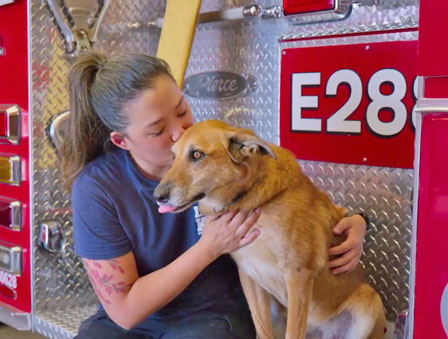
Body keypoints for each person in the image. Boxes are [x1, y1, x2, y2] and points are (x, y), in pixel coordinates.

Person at [60, 51, 368, 338]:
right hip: (135, 322)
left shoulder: (221, 150)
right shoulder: (97, 188)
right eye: (157, 130)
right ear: (121, 140)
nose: (180, 133)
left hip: (211, 313)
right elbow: (125, 312)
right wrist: (210, 246)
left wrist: (354, 220)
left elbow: (295, 199)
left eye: (182, 110)